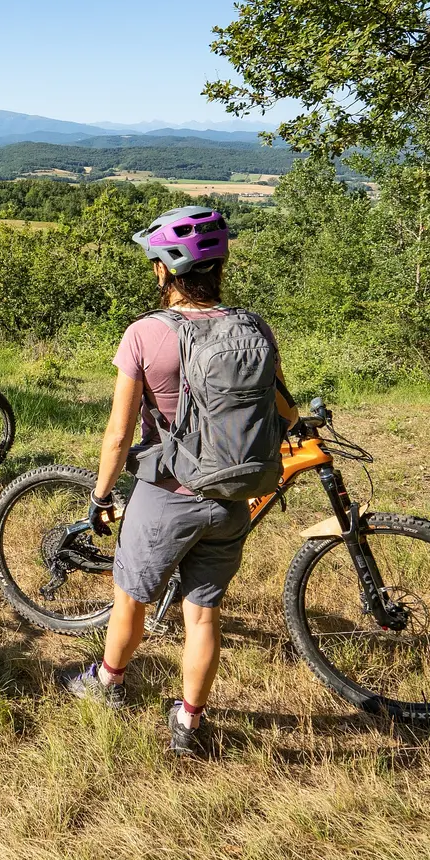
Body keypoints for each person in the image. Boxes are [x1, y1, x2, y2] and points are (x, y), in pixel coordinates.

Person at [61, 206, 298, 756]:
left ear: (164, 269)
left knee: (131, 600)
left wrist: (100, 496)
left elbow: (118, 434)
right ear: (219, 267)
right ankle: (189, 725)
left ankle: (107, 682)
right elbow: (284, 413)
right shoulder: (255, 328)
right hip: (232, 499)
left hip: (167, 495)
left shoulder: (145, 334)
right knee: (203, 615)